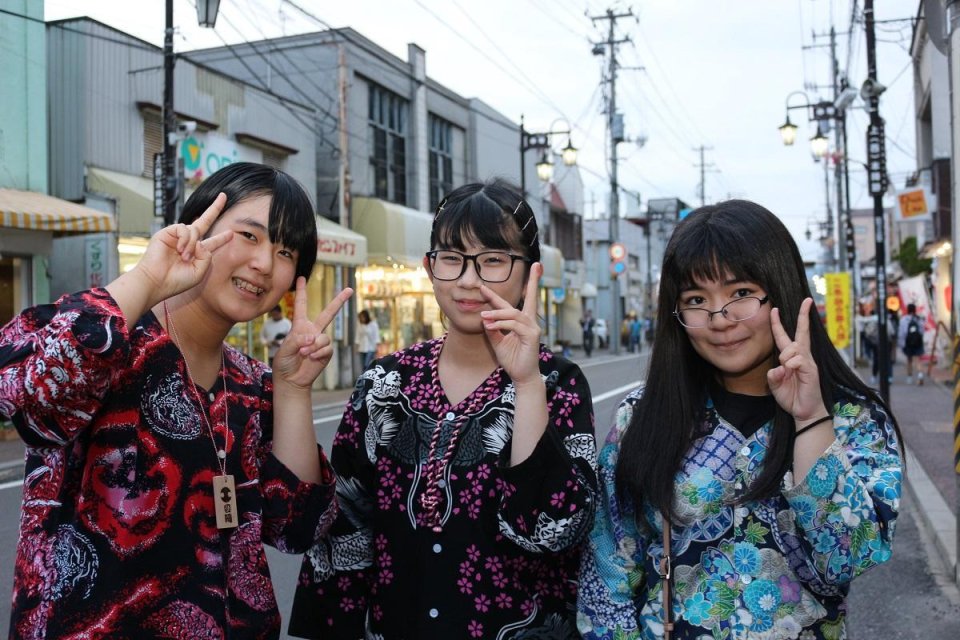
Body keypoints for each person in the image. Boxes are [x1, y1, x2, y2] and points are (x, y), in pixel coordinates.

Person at [0, 162, 353, 638]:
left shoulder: (252, 384)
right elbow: (22, 388)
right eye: (249, 236)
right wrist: (148, 275)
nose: (265, 264)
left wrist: (294, 388)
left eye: (286, 250)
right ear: (198, 227)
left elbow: (297, 527)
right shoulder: (113, 342)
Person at [577, 200, 903, 639]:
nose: (720, 319)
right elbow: (607, 577)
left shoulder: (852, 417)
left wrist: (809, 420)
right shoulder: (642, 415)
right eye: (696, 300)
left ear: (781, 291)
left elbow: (850, 557)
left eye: (741, 294)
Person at [289, 179, 598, 639]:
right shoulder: (385, 384)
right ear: (430, 268)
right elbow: (345, 538)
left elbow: (556, 531)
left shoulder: (557, 384)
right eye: (452, 259)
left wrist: (527, 383)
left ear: (530, 272)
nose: (469, 280)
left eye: (493, 260)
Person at [897, 302, 925, 385]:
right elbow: (922, 331)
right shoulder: (918, 319)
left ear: (907, 310)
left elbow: (902, 333)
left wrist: (901, 344)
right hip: (918, 343)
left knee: (909, 360)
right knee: (918, 360)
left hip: (908, 343)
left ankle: (909, 377)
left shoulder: (904, 319)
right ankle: (920, 375)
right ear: (915, 310)